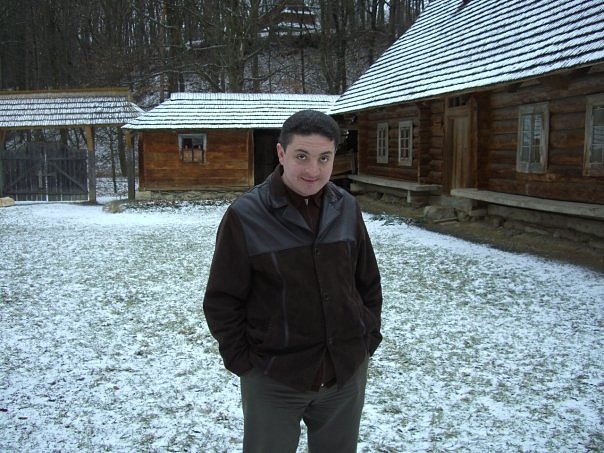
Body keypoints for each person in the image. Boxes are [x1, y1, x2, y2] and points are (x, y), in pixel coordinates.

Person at [203, 109, 383, 453]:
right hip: (274, 377)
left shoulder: (346, 207)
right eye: (302, 156)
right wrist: (244, 364)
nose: (313, 170)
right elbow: (223, 299)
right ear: (281, 153)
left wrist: (366, 338)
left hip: (345, 372)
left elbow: (367, 282)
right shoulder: (245, 215)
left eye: (324, 158)